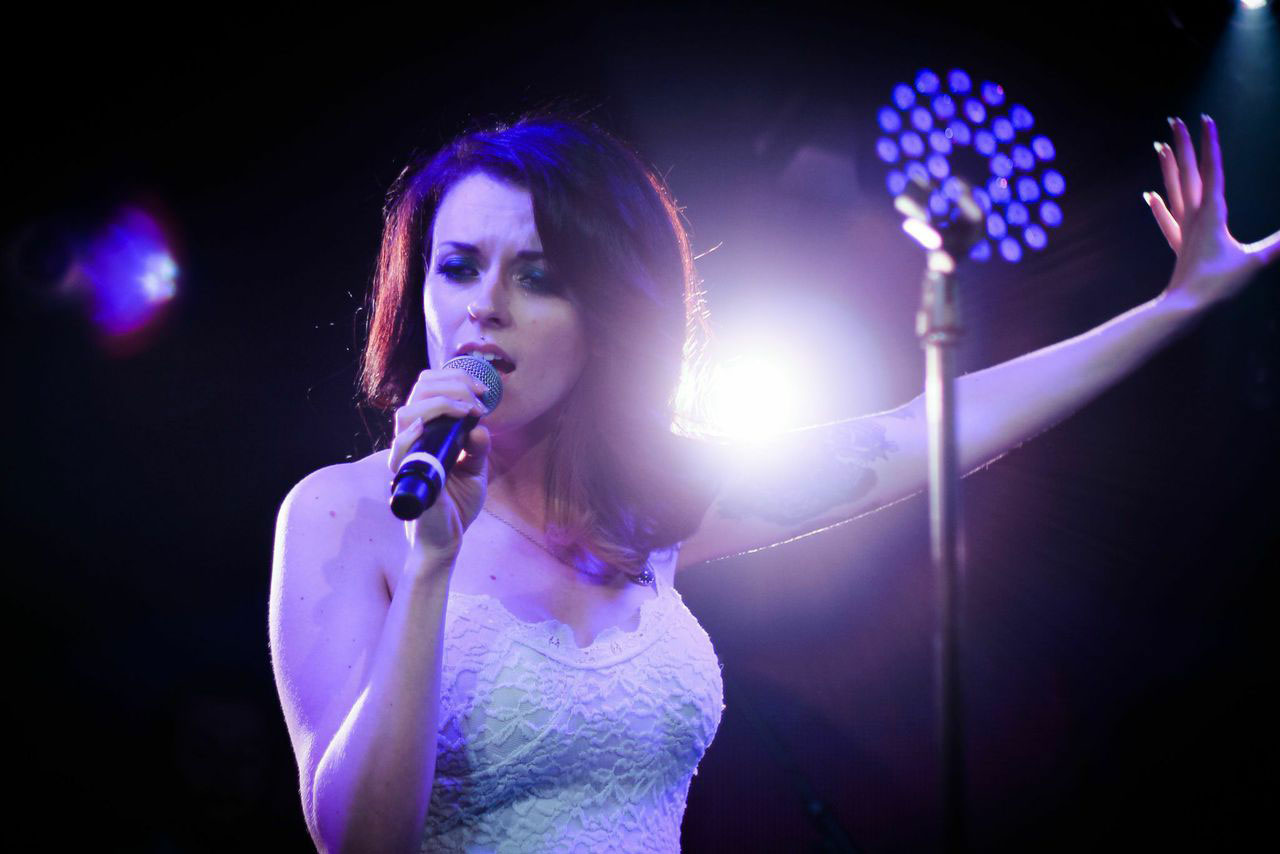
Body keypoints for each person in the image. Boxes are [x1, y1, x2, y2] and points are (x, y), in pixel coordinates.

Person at [268, 113, 1278, 852]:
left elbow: (920, 431)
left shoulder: (646, 507)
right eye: (457, 267)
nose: (484, 307)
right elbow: (358, 840)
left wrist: (1172, 308)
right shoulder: (344, 514)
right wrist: (431, 565)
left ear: (608, 311)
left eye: (538, 276)